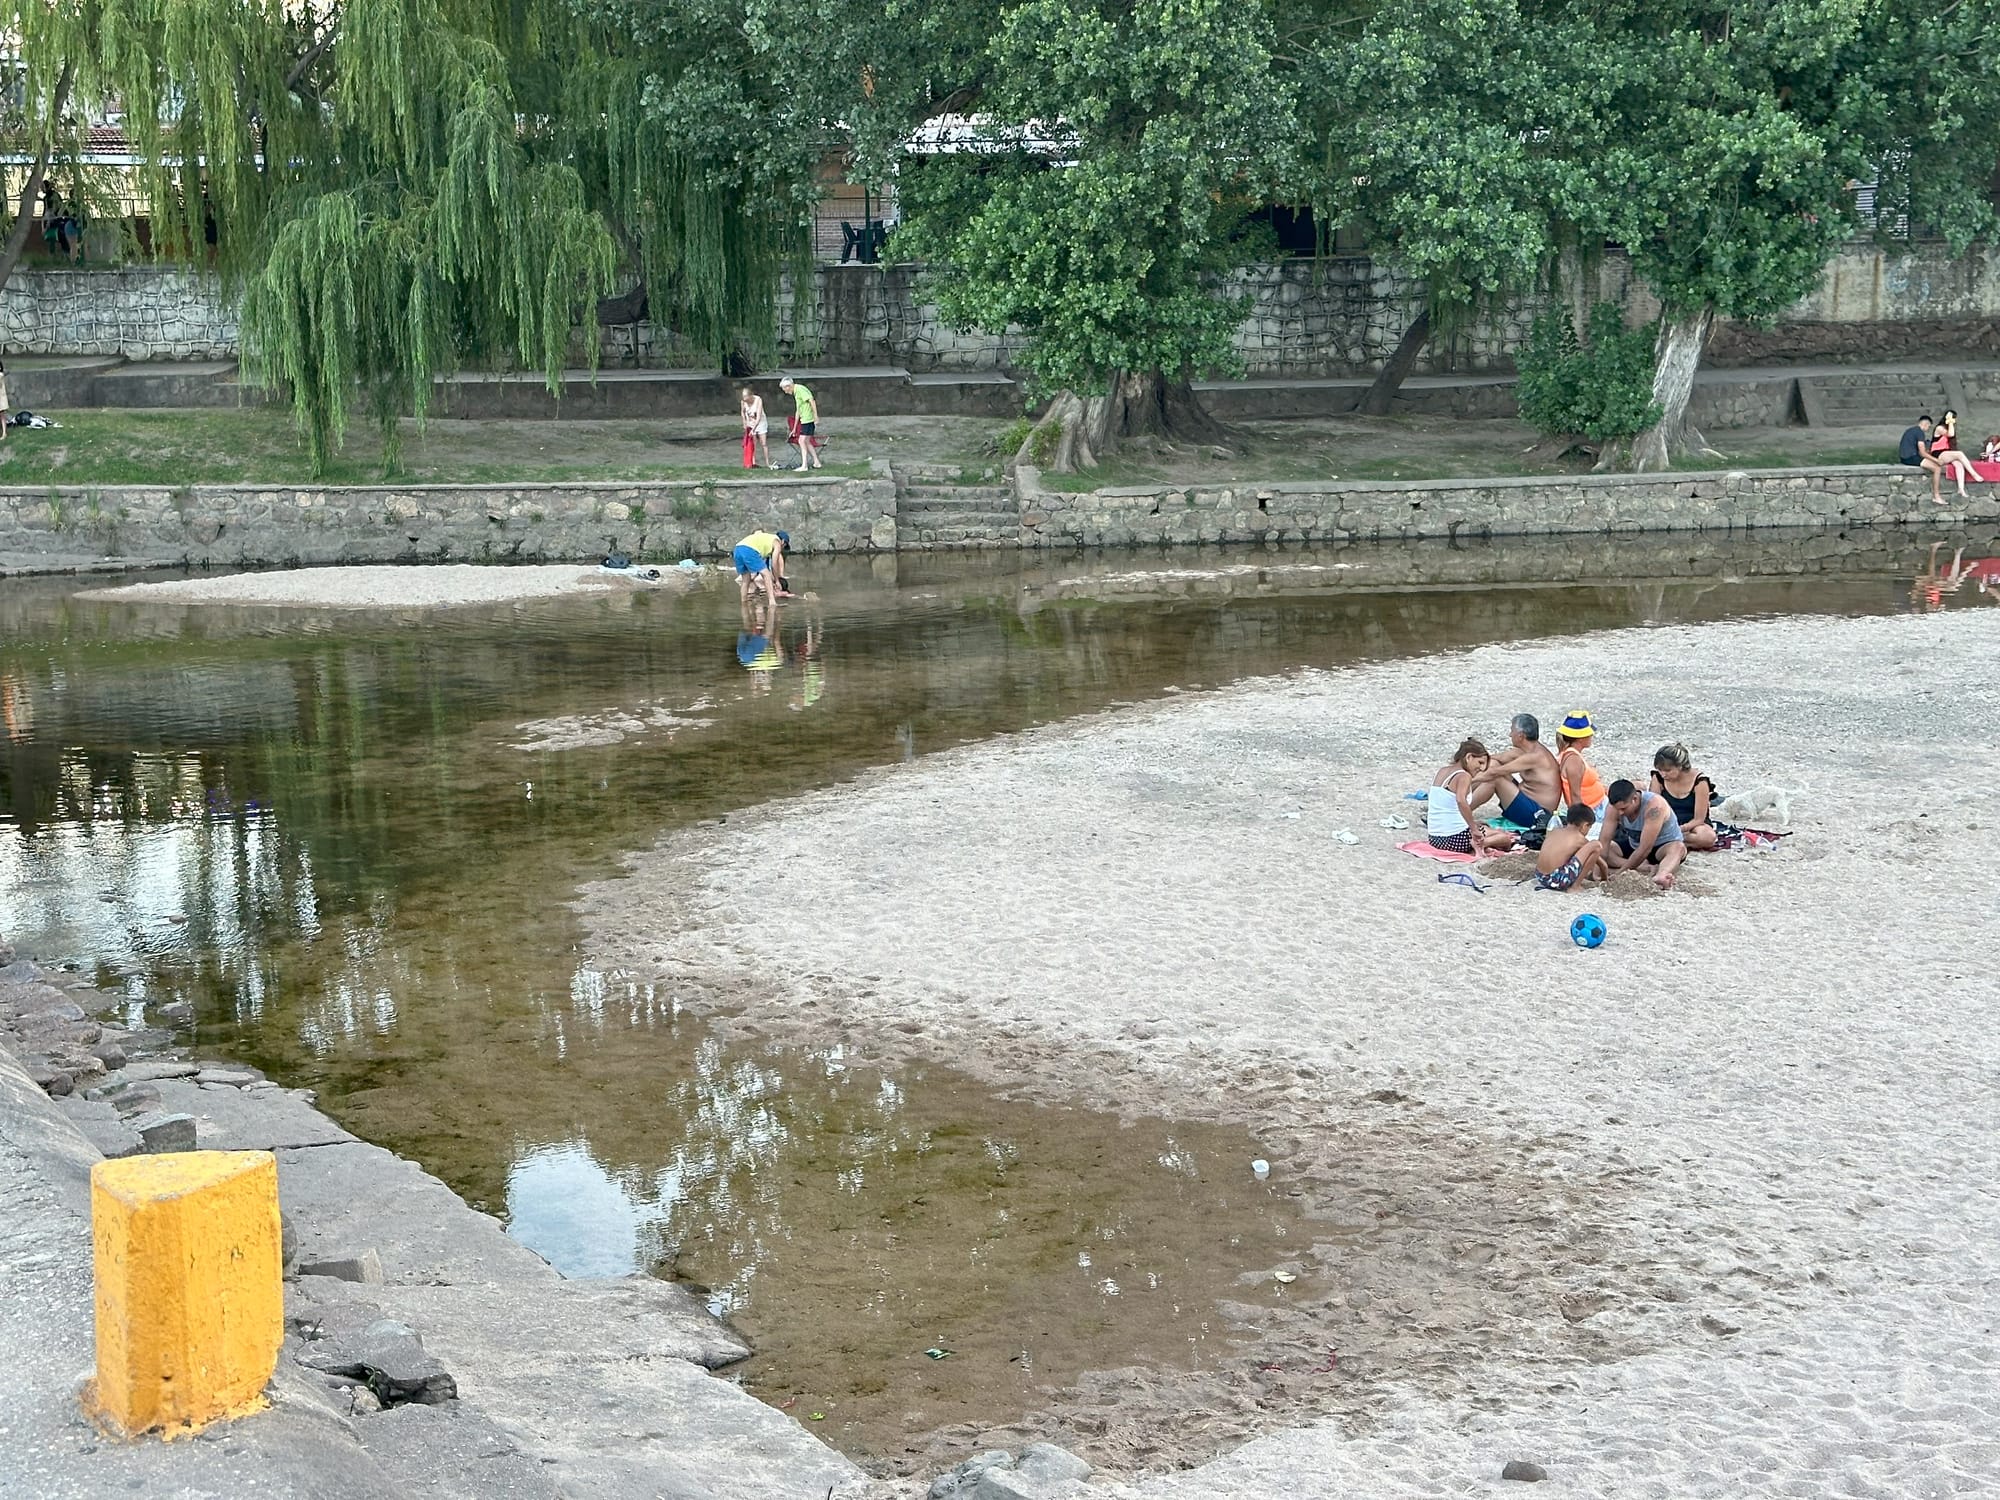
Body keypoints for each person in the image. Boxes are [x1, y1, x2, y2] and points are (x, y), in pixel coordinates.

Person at [1468, 712, 1561, 827]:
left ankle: (1460, 813)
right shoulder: (1525, 750)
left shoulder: (1535, 756)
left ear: (1520, 736)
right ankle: (1458, 798)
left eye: (1512, 731)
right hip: (1528, 802)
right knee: (1494, 764)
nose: (1510, 734)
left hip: (1538, 815)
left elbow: (1495, 773)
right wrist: (1475, 758)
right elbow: (1494, 759)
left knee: (1495, 779)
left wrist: (1467, 780)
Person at [1427, 738, 1515, 855]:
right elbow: (1461, 801)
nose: (1482, 768)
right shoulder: (1464, 776)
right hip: (1455, 839)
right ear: (1469, 757)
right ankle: (1481, 844)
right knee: (1504, 839)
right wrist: (1473, 829)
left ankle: (1479, 839)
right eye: (1480, 763)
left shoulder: (1442, 771)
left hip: (1435, 838)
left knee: (1487, 829)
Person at [1601, 777, 1687, 890]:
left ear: (1635, 799)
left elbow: (1645, 848)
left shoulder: (1654, 806)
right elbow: (1604, 841)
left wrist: (1620, 873)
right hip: (1634, 844)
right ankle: (1644, 868)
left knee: (1678, 848)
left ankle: (1662, 874)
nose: (1620, 813)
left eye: (1624, 808)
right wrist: (1599, 871)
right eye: (1617, 809)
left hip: (1662, 846)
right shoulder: (1614, 808)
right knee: (1605, 848)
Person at [1650, 743, 1721, 851]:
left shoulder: (1700, 782)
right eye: (1660, 770)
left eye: (1668, 770)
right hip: (1667, 821)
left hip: (1692, 824)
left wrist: (1679, 829)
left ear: (1680, 766)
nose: (1663, 774)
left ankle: (1669, 840)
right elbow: (1653, 808)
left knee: (1708, 837)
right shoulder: (1658, 778)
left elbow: (1699, 819)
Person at [1535, 805, 1610, 891]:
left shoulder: (1555, 831)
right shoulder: (1579, 839)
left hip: (1541, 877)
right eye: (1589, 827)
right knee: (1596, 845)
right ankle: (1575, 886)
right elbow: (1603, 865)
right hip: (1556, 880)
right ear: (1585, 825)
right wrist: (1605, 878)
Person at [1554, 711, 1608, 827]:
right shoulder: (1574, 760)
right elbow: (1575, 796)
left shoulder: (1570, 754)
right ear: (1580, 738)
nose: (1592, 736)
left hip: (1597, 805)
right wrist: (1582, 823)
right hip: (1594, 811)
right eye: (1589, 733)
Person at [1930, 410, 1981, 503]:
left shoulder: (1950, 427)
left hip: (1947, 453)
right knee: (1959, 454)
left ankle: (1961, 489)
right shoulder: (1939, 428)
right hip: (1938, 453)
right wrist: (1949, 420)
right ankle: (1973, 473)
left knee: (1959, 464)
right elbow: (1950, 434)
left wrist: (1951, 423)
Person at [732, 528, 790, 605]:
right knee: (767, 574)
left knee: (746, 579)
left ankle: (744, 602)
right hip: (749, 549)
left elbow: (763, 565)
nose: (782, 548)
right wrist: (777, 580)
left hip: (737, 549)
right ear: (783, 541)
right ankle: (772, 603)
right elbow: (774, 564)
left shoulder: (767, 539)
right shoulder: (777, 543)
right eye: (784, 546)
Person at [778, 377, 821, 472]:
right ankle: (817, 462)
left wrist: (815, 416)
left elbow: (811, 400)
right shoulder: (796, 393)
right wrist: (794, 428)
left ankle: (804, 465)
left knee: (802, 441)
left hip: (808, 419)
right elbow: (798, 410)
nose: (785, 392)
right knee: (807, 441)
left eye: (785, 389)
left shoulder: (800, 389)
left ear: (789, 386)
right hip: (804, 419)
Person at [739, 387, 772, 469]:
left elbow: (759, 417)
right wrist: (744, 422)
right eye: (743, 398)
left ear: (751, 396)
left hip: (760, 423)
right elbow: (742, 412)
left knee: (763, 443)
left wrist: (754, 429)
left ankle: (768, 463)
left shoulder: (758, 400)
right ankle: (753, 463)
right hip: (750, 423)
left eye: (746, 397)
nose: (745, 400)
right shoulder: (743, 401)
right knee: (753, 443)